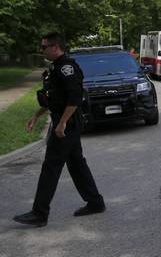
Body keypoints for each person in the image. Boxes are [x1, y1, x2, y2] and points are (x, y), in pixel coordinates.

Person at [13, 32, 105, 227]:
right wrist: (36, 115)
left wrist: (62, 123)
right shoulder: (56, 68)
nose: (41, 50)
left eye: (44, 47)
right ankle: (95, 202)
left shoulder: (66, 68)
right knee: (76, 164)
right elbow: (56, 99)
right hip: (65, 123)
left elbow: (75, 98)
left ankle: (39, 213)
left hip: (67, 125)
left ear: (55, 47)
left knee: (51, 167)